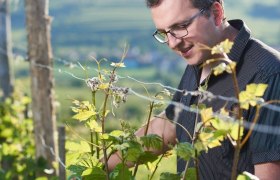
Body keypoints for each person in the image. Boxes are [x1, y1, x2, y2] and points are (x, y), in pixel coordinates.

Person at [109, 0, 280, 179]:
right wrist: (101, 167)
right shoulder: (200, 56)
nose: (173, 43)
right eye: (164, 33)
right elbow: (170, 125)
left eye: (181, 26)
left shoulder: (269, 75)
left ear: (216, 13)